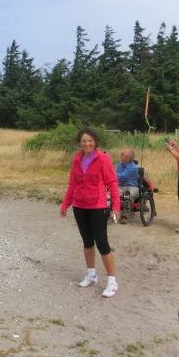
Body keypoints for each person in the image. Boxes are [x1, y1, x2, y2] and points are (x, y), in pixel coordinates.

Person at [60, 127, 120, 298]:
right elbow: (73, 185)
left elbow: (112, 183)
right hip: (79, 206)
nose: (87, 144)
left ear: (95, 142)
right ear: (80, 143)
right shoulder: (77, 160)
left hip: (97, 206)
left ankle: (112, 282)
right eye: (84, 141)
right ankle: (92, 275)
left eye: (90, 141)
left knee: (102, 243)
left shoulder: (103, 159)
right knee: (87, 242)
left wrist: (116, 207)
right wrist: (65, 204)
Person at [116, 148, 139, 224]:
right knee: (110, 194)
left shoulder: (133, 168)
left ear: (128, 157)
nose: (120, 155)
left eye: (122, 154)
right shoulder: (119, 165)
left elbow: (121, 176)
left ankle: (125, 216)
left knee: (129, 195)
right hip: (120, 186)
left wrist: (111, 174)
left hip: (132, 187)